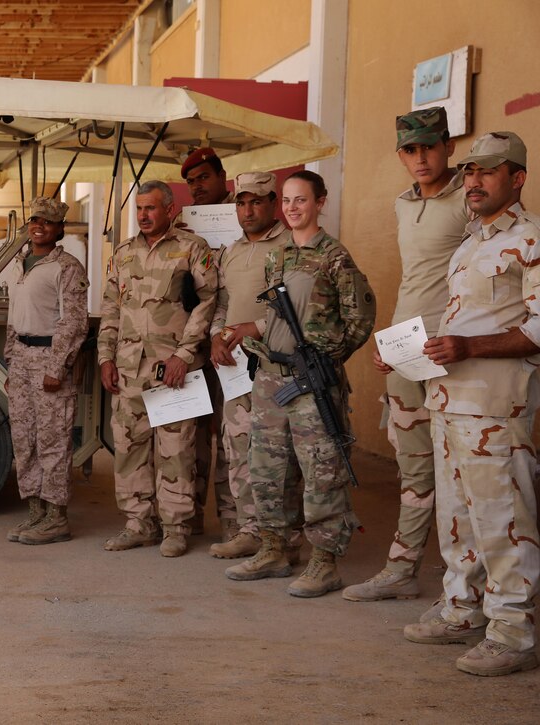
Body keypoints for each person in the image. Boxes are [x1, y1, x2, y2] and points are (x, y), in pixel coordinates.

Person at [402, 132, 540, 677]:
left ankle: (513, 631)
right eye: (470, 170)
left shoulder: (530, 240)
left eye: (488, 170)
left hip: (496, 409)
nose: (474, 181)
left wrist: (469, 347)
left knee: (504, 518)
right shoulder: (470, 243)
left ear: (518, 178)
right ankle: (463, 609)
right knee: (456, 516)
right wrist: (416, 355)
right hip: (449, 399)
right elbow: (461, 323)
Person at [225, 170, 375, 597]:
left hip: (312, 382)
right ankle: (274, 548)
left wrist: (327, 358)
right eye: (287, 200)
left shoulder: (335, 257)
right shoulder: (279, 255)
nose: (292, 207)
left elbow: (361, 317)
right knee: (267, 468)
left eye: (301, 200)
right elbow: (275, 316)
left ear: (320, 202)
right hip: (272, 378)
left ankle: (324, 562)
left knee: (321, 472)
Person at [343, 107, 468, 610]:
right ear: (400, 155)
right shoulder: (402, 204)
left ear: (448, 146)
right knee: (414, 471)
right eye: (410, 150)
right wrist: (390, 342)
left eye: (430, 146)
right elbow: (415, 279)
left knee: (462, 473)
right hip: (408, 351)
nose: (421, 157)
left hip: (454, 355)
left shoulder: (470, 200)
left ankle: (468, 589)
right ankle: (401, 568)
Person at [98, 179, 218, 557]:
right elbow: (111, 307)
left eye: (151, 208)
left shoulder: (191, 248)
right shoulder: (123, 253)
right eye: (139, 209)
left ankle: (176, 527)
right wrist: (105, 357)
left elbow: (207, 301)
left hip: (174, 368)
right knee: (129, 446)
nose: (144, 215)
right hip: (130, 367)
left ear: (169, 209)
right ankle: (138, 524)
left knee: (176, 448)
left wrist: (184, 355)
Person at [208, 171, 300, 561]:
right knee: (238, 446)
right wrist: (216, 334)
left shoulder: (291, 245)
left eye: (256, 201)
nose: (248, 210)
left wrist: (255, 328)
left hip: (276, 364)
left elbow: (298, 307)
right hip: (235, 367)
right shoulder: (231, 251)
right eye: (241, 202)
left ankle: (287, 538)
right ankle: (250, 529)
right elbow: (224, 302)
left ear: (273, 202)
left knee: (279, 452)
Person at [4, 197, 88, 545]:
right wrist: (11, 360)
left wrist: (57, 366)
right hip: (22, 360)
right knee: (25, 440)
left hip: (48, 358)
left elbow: (74, 321)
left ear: (59, 229)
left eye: (48, 221)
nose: (39, 225)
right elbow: (12, 316)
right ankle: (36, 512)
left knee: (53, 441)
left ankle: (57, 517)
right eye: (34, 219)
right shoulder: (19, 262)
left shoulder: (67, 266)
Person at [181, 147, 237, 542]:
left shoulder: (245, 217)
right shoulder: (187, 228)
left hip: (235, 342)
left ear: (222, 177)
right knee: (194, 431)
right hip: (194, 343)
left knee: (233, 432)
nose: (196, 187)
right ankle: (191, 514)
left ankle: (234, 522)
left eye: (202, 178)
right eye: (190, 182)